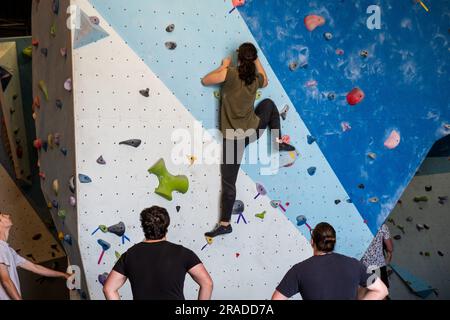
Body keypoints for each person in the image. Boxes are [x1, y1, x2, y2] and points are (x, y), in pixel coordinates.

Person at [201, 42, 295, 238]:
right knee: (269, 104)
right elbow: (266, 80)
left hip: (234, 139)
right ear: (253, 60)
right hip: (252, 130)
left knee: (229, 183)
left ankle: (225, 223)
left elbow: (206, 80)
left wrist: (224, 65)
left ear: (238, 57)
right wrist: (256, 58)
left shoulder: (230, 74)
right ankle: (277, 140)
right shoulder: (255, 80)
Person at [103, 206, 213, 300]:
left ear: (143, 227)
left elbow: (109, 289)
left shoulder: (130, 255)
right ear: (166, 226)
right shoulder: (182, 253)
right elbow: (207, 283)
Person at [272, 222, 389, 300]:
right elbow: (382, 290)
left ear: (312, 242)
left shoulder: (299, 270)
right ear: (333, 242)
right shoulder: (354, 265)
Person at [0, 212, 71, 300]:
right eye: (3, 216)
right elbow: (5, 281)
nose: (8, 215)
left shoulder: (8, 250)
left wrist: (64, 275)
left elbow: (35, 268)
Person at [360, 223, 393, 299]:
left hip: (363, 266)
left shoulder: (359, 225)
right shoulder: (382, 226)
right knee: (381, 293)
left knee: (362, 293)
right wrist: (389, 255)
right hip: (378, 265)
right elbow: (390, 248)